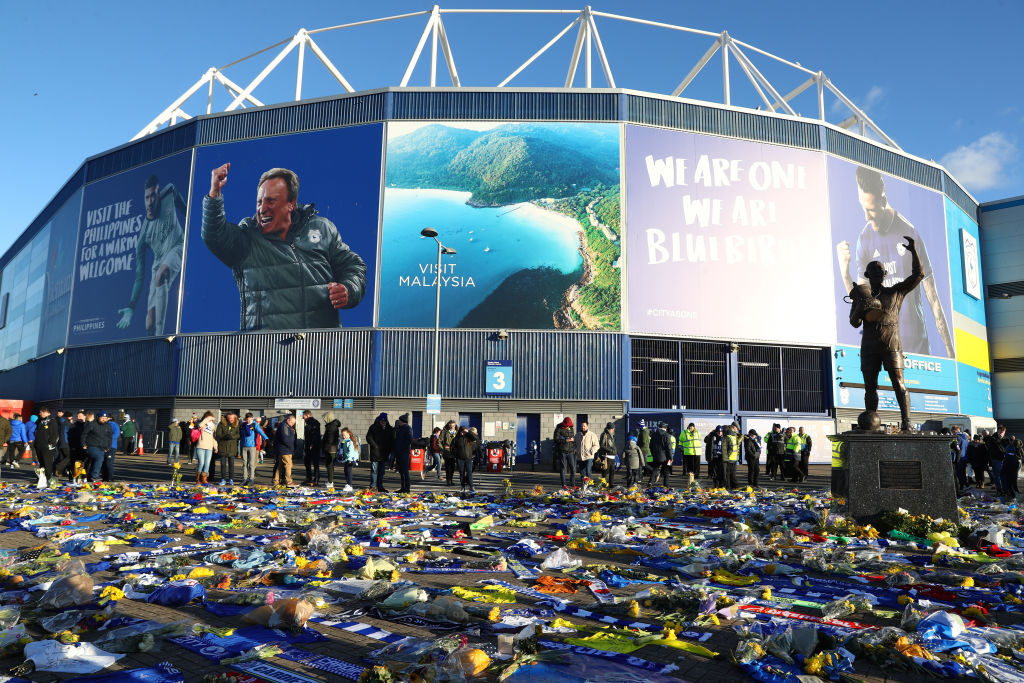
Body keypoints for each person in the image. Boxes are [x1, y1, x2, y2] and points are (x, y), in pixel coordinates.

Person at [202, 164, 367, 330]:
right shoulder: (247, 237)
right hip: (266, 351)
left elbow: (353, 266)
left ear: (291, 204)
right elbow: (215, 236)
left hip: (322, 350)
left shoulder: (322, 228)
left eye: (270, 201)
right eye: (259, 202)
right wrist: (215, 194)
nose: (262, 209)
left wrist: (348, 289)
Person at [847, 235, 924, 431]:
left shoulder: (895, 292)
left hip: (892, 345)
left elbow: (919, 275)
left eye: (880, 270)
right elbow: (854, 323)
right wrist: (859, 306)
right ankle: (871, 424)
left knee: (899, 383)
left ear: (885, 273)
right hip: (869, 346)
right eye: (873, 270)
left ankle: (906, 422)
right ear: (867, 274)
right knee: (870, 389)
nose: (876, 272)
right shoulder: (861, 297)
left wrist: (914, 251)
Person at [116, 175, 185, 336]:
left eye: (153, 195)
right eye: (147, 197)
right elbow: (139, 277)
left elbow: (183, 205)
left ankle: (161, 337)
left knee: (162, 274)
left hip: (178, 246)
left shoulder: (169, 192)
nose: (150, 201)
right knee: (149, 324)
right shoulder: (144, 236)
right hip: (159, 262)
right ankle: (155, 334)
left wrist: (192, 217)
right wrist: (131, 307)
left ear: (158, 192)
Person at [81, 411, 113, 483]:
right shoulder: (92, 424)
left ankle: (90, 478)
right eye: (102, 418)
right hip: (91, 446)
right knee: (99, 457)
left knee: (95, 462)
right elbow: (84, 434)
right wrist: (83, 444)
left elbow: (110, 437)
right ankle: (94, 476)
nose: (104, 419)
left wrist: (108, 447)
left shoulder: (108, 426)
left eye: (105, 418)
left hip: (102, 447)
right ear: (98, 417)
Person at [365, 413, 393, 493]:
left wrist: (389, 450)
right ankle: (373, 486)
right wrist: (375, 446)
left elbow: (391, 440)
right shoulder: (373, 427)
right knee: (374, 470)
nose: (383, 422)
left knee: (381, 471)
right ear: (379, 420)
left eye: (385, 421)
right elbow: (368, 437)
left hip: (384, 454)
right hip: (375, 453)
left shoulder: (389, 428)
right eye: (382, 420)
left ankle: (380, 486)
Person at [34, 406, 60, 488]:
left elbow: (54, 434)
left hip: (47, 446)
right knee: (41, 463)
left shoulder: (52, 421)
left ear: (46, 412)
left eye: (41, 412)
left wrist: (51, 443)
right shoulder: (40, 421)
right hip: (39, 445)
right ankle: (41, 479)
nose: (39, 414)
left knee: (47, 463)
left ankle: (49, 479)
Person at [238, 414, 267, 485]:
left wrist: (266, 438)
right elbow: (241, 435)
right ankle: (244, 478)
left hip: (252, 446)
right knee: (244, 463)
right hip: (244, 446)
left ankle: (251, 478)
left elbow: (261, 432)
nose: (249, 420)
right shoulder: (243, 425)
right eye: (247, 419)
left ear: (252, 419)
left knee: (251, 463)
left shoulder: (254, 425)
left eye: (250, 419)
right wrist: (240, 445)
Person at [214, 413, 240, 486]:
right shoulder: (221, 424)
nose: (231, 419)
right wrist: (224, 436)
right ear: (227, 418)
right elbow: (218, 434)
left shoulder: (237, 424)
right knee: (223, 464)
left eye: (233, 418)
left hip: (232, 447)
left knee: (231, 464)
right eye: (230, 418)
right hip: (223, 446)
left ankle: (231, 479)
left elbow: (239, 434)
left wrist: (232, 437)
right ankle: (223, 479)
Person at [272, 414, 298, 487]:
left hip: (283, 449)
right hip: (285, 449)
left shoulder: (285, 426)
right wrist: (291, 447)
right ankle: (289, 481)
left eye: (294, 423)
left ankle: (276, 480)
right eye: (292, 423)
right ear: (288, 420)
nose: (292, 425)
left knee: (280, 465)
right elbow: (285, 438)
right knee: (288, 465)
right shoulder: (284, 426)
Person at [193, 411, 217, 485]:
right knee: (201, 463)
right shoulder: (202, 423)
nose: (211, 419)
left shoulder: (212, 425)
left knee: (207, 464)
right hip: (201, 446)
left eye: (211, 417)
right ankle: (197, 478)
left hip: (209, 447)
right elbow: (199, 426)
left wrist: (215, 446)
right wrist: (207, 419)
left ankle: (204, 479)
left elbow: (213, 437)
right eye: (209, 417)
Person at [553, 417, 576, 489]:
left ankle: (572, 484)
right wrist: (565, 440)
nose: (568, 427)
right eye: (567, 425)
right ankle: (564, 484)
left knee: (573, 468)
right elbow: (556, 439)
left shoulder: (571, 428)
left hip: (570, 451)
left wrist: (573, 440)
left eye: (569, 425)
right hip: (562, 451)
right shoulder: (558, 428)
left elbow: (573, 437)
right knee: (563, 468)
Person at [393, 413, 413, 493]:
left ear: (403, 421)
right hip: (399, 452)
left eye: (400, 421)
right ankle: (403, 487)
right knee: (401, 471)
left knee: (405, 471)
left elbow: (408, 441)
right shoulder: (400, 428)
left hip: (404, 452)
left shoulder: (407, 428)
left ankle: (407, 488)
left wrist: (402, 448)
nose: (399, 422)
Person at [320, 412, 341, 490]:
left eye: (325, 419)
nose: (324, 420)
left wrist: (325, 447)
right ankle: (330, 481)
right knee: (330, 465)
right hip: (331, 448)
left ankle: (330, 482)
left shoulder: (331, 427)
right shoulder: (333, 426)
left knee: (329, 465)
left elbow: (329, 439)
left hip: (330, 449)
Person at [648, 422, 673, 488]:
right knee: (666, 471)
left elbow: (650, 446)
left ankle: (650, 482)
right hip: (665, 457)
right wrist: (670, 457)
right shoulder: (667, 435)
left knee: (655, 470)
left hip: (656, 456)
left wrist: (654, 454)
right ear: (665, 428)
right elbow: (669, 447)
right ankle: (666, 485)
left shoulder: (654, 435)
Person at [454, 426, 477, 494]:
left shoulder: (469, 437)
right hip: (460, 459)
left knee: (469, 473)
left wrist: (469, 432)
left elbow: (475, 438)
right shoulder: (457, 439)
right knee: (462, 473)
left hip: (468, 458)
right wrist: (456, 455)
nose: (462, 433)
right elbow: (452, 448)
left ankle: (471, 486)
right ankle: (462, 486)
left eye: (463, 432)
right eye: (462, 432)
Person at [302, 410, 322, 486]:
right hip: (308, 445)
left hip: (313, 446)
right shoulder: (308, 423)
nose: (302, 417)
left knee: (315, 463)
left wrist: (312, 444)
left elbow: (315, 435)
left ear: (307, 415)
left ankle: (316, 479)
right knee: (307, 462)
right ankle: (309, 478)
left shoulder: (314, 423)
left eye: (303, 416)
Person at [1001, 433, 1022, 502]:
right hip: (1014, 465)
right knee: (1013, 480)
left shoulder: (1008, 451)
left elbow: (1005, 466)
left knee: (1009, 483)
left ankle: (1012, 495)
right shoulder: (1017, 449)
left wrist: (1002, 472)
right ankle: (1014, 494)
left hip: (1009, 468)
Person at [339, 427, 360, 492]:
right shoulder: (344, 441)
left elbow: (351, 452)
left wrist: (350, 460)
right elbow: (342, 450)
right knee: (345, 471)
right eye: (342, 435)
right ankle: (348, 484)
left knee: (349, 471)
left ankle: (349, 485)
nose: (343, 436)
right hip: (347, 459)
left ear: (349, 434)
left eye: (344, 435)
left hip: (351, 460)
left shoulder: (350, 442)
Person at [598, 422, 616, 487]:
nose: (613, 430)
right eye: (613, 428)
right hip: (606, 456)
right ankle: (603, 485)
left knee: (612, 472)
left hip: (612, 457)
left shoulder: (611, 435)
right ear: (610, 428)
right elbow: (602, 445)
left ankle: (611, 484)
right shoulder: (604, 435)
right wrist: (610, 450)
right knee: (605, 472)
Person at [439, 420, 457, 485]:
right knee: (448, 467)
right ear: (448, 425)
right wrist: (442, 449)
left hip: (454, 451)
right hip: (447, 450)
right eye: (451, 425)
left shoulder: (457, 432)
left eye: (453, 425)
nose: (452, 427)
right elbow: (439, 441)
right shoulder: (444, 432)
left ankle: (451, 480)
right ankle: (448, 481)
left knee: (452, 467)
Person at [105, 416, 120, 481]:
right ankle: (105, 477)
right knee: (104, 463)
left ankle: (110, 478)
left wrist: (107, 440)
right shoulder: (104, 424)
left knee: (109, 462)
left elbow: (116, 434)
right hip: (103, 446)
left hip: (111, 446)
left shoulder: (113, 424)